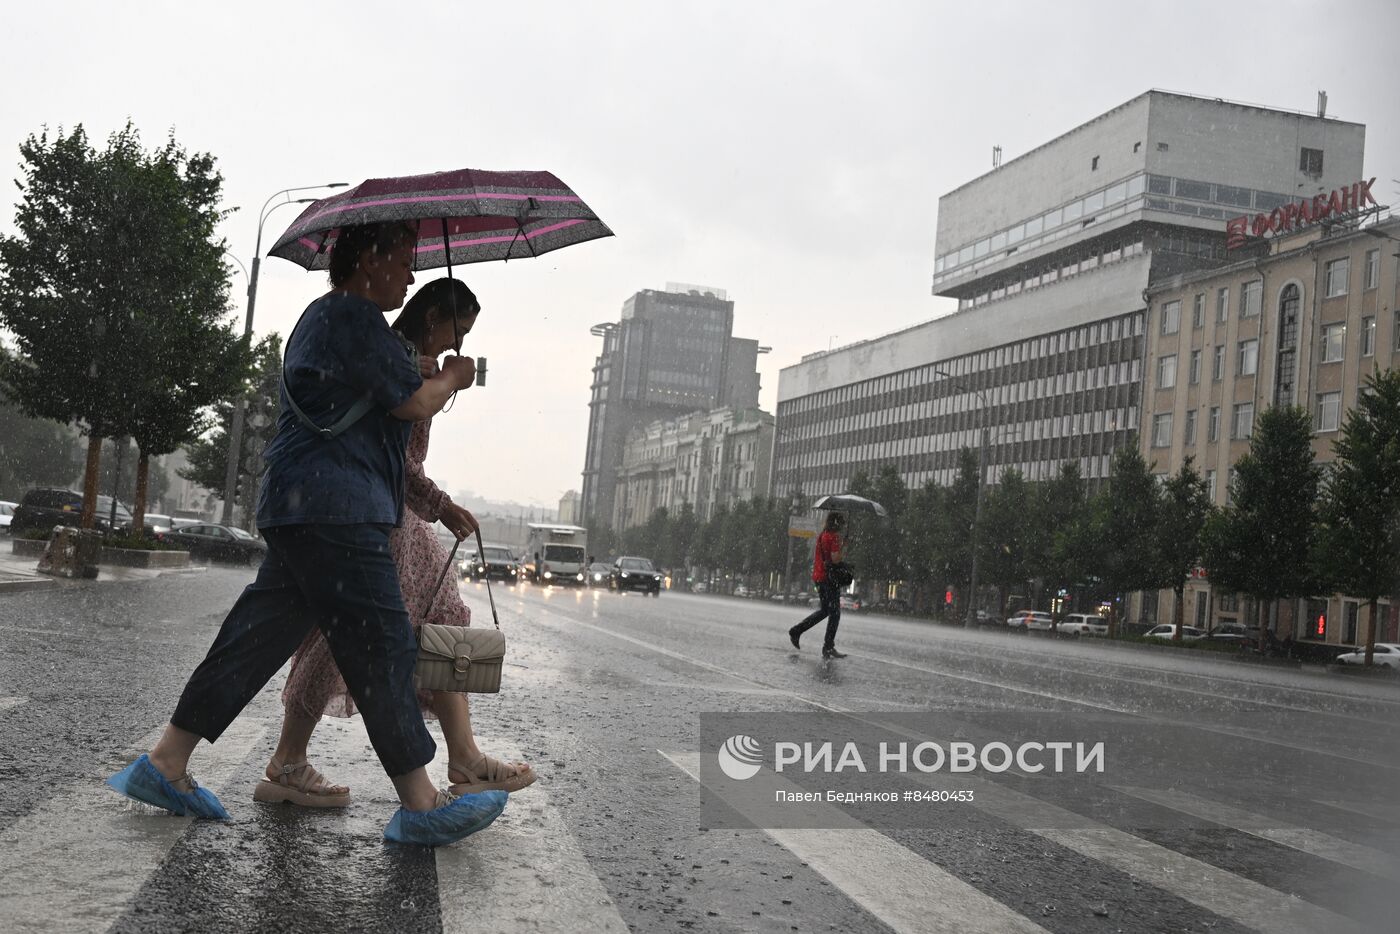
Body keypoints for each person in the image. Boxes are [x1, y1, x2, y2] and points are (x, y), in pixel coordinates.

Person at [106, 221, 508, 846]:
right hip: (338, 512)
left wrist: (430, 374)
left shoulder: (328, 319)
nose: (410, 274)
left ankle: (164, 762)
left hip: (304, 506)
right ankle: (422, 801)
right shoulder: (353, 317)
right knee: (380, 647)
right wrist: (452, 378)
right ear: (368, 258)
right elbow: (410, 405)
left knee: (254, 640)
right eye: (402, 260)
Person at [262, 277, 535, 807]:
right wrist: (442, 506)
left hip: (383, 521)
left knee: (431, 630)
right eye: (458, 329)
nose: (458, 344)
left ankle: (461, 756)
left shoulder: (403, 359)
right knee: (346, 639)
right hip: (378, 523)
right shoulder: (400, 364)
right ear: (433, 317)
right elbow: (398, 466)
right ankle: (293, 759)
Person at [788, 512, 847, 659]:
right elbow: (835, 559)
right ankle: (827, 646)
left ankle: (797, 630)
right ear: (837, 524)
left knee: (825, 611)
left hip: (819, 577)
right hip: (829, 580)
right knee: (835, 614)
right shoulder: (833, 537)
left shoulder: (822, 535)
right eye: (842, 523)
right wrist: (843, 547)